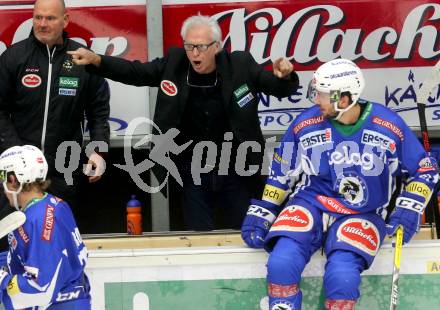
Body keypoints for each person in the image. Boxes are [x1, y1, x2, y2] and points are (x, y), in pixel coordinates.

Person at [68, 14, 299, 231]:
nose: (194, 53)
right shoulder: (175, 63)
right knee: (197, 235)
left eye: (201, 46)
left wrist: (285, 76)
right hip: (192, 168)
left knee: (243, 231)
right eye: (190, 46)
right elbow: (135, 72)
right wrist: (97, 60)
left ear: (216, 46)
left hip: (237, 167)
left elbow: (277, 86)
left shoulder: (240, 64)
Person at [241, 58, 439, 309]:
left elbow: (425, 170)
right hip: (312, 203)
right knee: (282, 261)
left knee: (342, 277)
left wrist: (408, 210)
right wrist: (264, 210)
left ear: (343, 99)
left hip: (362, 211)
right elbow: (282, 172)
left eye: (322, 94)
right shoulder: (305, 124)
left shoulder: (388, 126)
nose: (316, 100)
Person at [0, 0, 110, 233]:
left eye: (50, 18)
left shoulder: (82, 60)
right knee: (12, 238)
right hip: (16, 172)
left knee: (58, 236)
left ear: (65, 20)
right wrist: (18, 153)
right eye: (38, 17)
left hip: (64, 169)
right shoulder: (13, 57)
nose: (42, 24)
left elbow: (98, 112)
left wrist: (98, 151)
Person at [0, 145, 91, 309]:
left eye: (2, 177)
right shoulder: (55, 204)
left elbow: (42, 287)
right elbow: (34, 257)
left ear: (13, 179)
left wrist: (4, 280)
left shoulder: (38, 220)